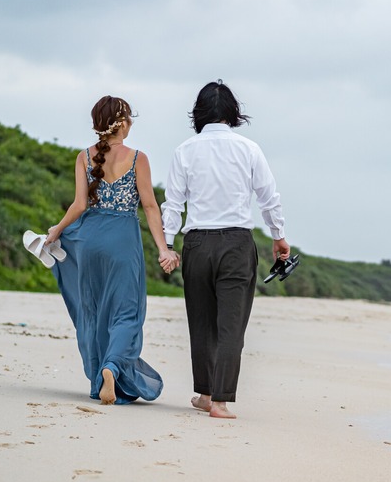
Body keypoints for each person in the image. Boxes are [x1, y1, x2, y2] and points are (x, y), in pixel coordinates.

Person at [160, 80, 289, 420]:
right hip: (235, 242)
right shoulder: (249, 149)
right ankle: (221, 401)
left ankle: (203, 393)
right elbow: (268, 197)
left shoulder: (185, 150)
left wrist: (169, 244)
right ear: (233, 113)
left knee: (201, 322)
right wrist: (278, 236)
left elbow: (172, 203)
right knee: (231, 326)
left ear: (200, 114)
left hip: (198, 242)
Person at [44, 95, 175, 405]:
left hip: (89, 241)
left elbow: (79, 205)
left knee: (93, 310)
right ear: (124, 124)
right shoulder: (137, 158)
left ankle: (99, 374)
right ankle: (111, 367)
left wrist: (56, 230)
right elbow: (149, 206)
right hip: (122, 242)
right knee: (126, 312)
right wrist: (163, 249)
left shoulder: (84, 157)